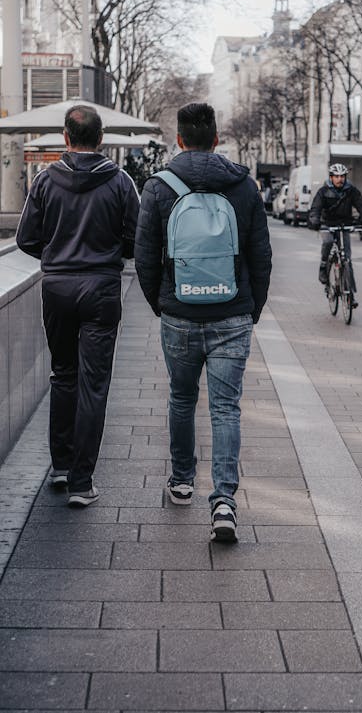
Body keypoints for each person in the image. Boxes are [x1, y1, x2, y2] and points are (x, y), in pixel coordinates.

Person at [134, 102, 271, 543]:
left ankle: (181, 479)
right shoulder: (244, 186)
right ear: (216, 138)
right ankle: (225, 501)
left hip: (180, 312)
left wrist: (162, 303)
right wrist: (252, 308)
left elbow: (144, 256)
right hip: (232, 313)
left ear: (178, 139)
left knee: (180, 397)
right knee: (226, 407)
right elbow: (261, 255)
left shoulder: (158, 187)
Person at [16, 105, 139, 506]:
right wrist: (109, 253)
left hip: (58, 288)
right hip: (102, 287)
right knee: (94, 382)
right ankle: (82, 483)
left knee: (63, 374)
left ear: (65, 138)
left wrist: (56, 256)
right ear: (100, 139)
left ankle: (62, 466)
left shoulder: (45, 181)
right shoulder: (121, 182)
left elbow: (25, 239)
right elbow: (136, 239)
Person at [308, 162, 362, 305]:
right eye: (336, 176)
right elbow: (316, 208)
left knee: (347, 259)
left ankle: (350, 295)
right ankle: (324, 266)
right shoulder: (323, 191)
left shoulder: (351, 190)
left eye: (342, 176)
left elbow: (361, 204)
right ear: (331, 177)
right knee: (328, 242)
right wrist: (315, 220)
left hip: (344, 225)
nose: (340, 179)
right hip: (327, 225)